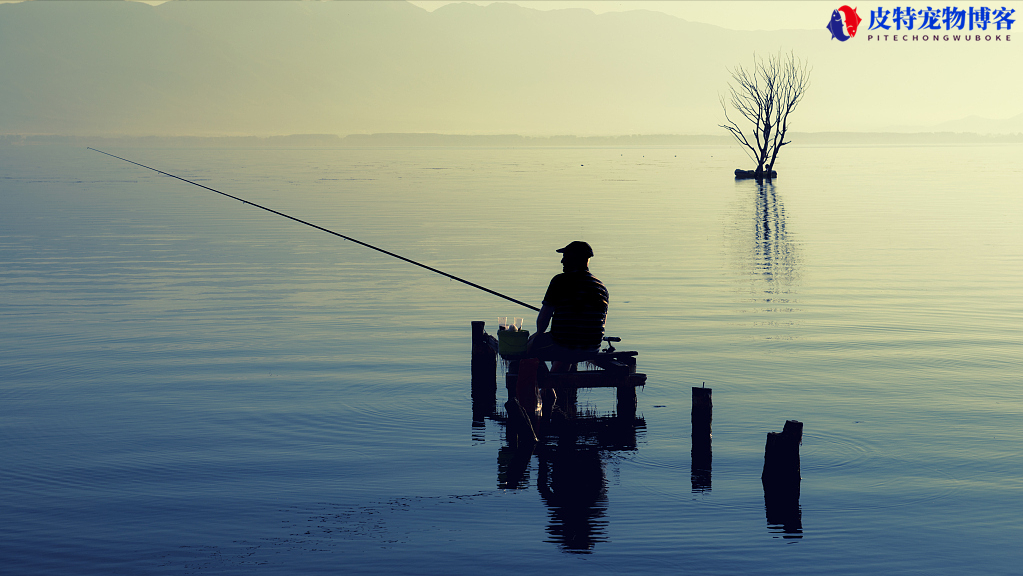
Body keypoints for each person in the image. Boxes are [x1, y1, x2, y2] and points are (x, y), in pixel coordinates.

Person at [527, 241, 609, 372]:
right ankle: (548, 390)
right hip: (592, 348)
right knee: (565, 347)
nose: (562, 261)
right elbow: (601, 322)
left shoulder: (560, 281)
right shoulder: (601, 287)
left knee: (528, 348)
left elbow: (543, 320)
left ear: (573, 259)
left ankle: (541, 385)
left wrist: (537, 335)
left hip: (563, 345)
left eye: (565, 257)